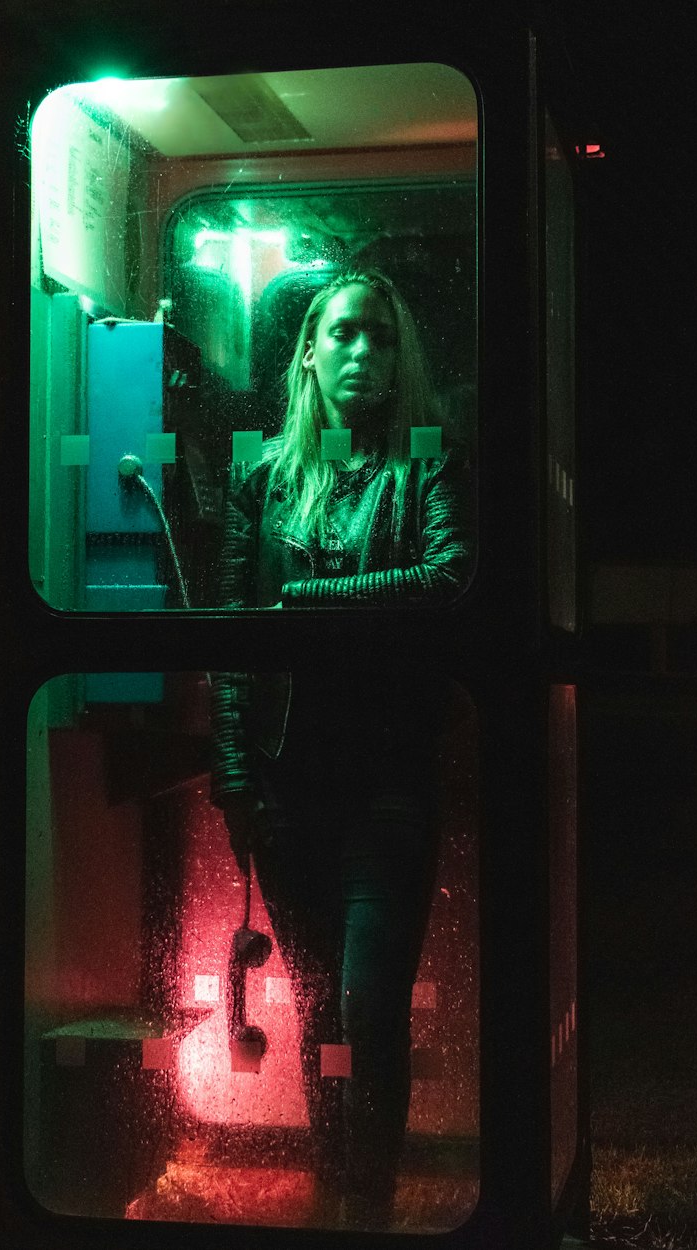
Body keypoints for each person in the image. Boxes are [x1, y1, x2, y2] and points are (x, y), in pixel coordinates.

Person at [210, 268, 473, 1230]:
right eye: (345, 334)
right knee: (319, 1008)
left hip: (387, 787)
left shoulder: (428, 465)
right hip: (287, 788)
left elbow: (450, 578)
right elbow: (233, 638)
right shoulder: (265, 477)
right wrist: (235, 777)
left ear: (401, 357)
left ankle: (370, 1200)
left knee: (369, 1005)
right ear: (310, 353)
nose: (364, 351)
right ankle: (339, 1193)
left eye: (382, 336)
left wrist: (310, 603)